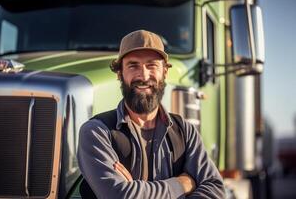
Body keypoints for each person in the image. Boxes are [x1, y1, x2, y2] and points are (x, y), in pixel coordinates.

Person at [77, 30, 225, 198]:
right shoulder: (97, 132)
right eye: (133, 65)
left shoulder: (185, 132)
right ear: (120, 74)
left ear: (165, 73)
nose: (144, 75)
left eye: (152, 65)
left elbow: (216, 189)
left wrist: (136, 190)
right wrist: (181, 184)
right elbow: (120, 196)